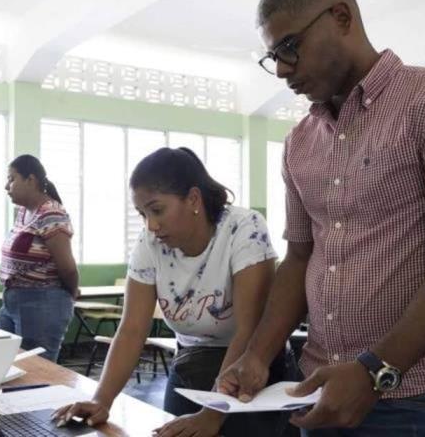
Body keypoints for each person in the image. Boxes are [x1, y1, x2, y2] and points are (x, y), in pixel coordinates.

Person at [219, 0, 425, 436]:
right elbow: (299, 257)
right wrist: (257, 354)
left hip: (417, 398)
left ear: (341, 17)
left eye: (289, 47)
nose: (281, 69)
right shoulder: (299, 142)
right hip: (315, 388)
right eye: (272, 56)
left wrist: (375, 371)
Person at [53, 147, 288, 437]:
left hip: (251, 367)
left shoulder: (243, 228)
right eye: (142, 214)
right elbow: (131, 330)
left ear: (193, 199)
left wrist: (212, 415)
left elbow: (248, 330)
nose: (151, 225)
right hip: (191, 362)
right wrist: (102, 399)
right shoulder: (150, 243)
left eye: (157, 210)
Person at [0, 154, 80, 362]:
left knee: (35, 371)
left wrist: (70, 292)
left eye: (11, 178)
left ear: (30, 180)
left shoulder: (50, 213)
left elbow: (67, 267)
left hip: (42, 302)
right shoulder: (24, 212)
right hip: (13, 299)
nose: (7, 186)